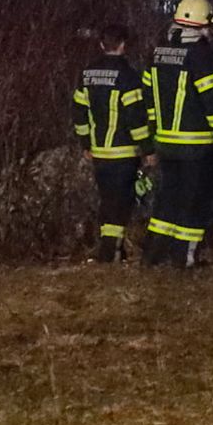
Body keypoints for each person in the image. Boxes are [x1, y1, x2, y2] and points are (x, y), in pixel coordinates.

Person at [140, 0, 213, 270]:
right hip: (197, 145)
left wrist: (154, 131)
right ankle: (185, 258)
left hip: (165, 143)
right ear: (203, 24)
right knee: (194, 201)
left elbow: (148, 95)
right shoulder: (202, 55)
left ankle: (152, 254)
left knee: (168, 199)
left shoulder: (157, 51)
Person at [71, 19, 152, 264]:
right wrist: (147, 150)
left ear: (100, 44)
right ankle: (111, 253)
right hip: (123, 152)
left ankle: (110, 250)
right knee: (120, 204)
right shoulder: (128, 77)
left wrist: (85, 143)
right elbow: (136, 119)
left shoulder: (87, 74)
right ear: (123, 45)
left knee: (107, 201)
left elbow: (79, 111)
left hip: (99, 152)